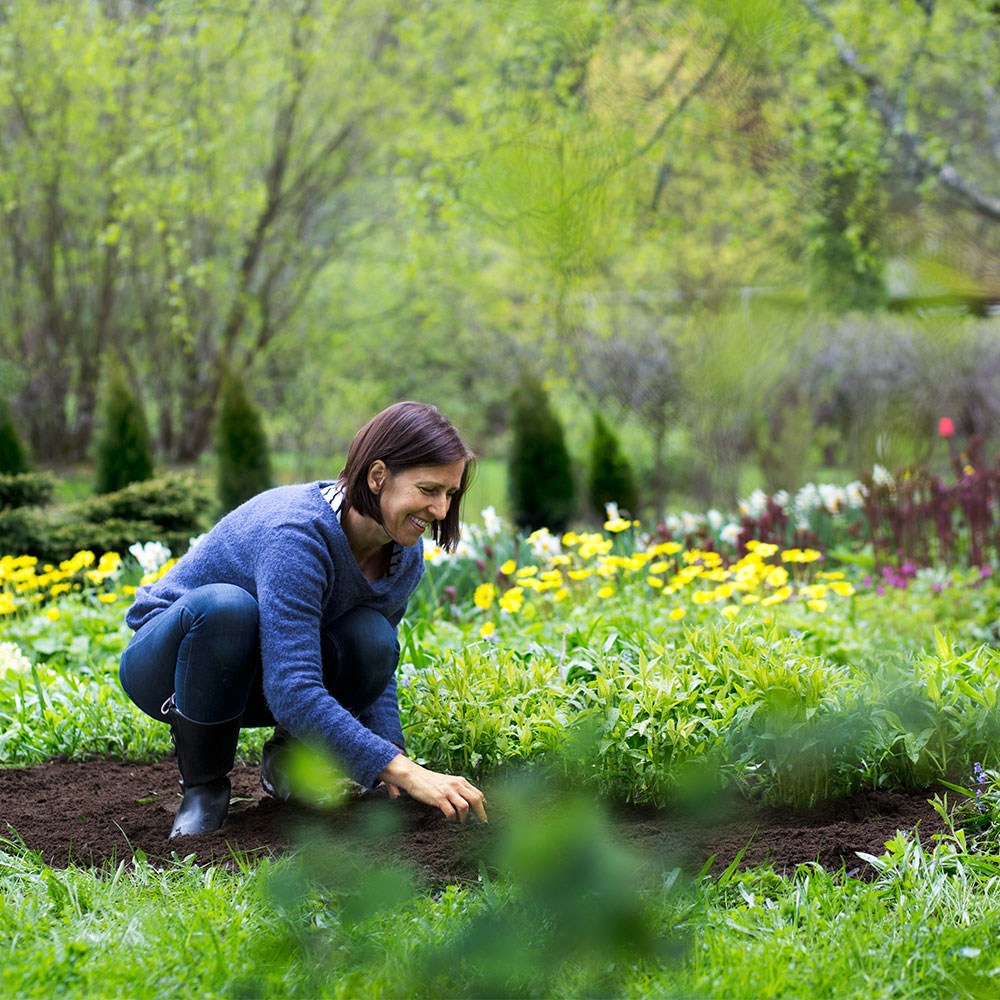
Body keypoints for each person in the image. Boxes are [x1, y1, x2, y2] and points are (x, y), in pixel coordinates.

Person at [119, 401, 488, 838]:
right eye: (429, 490)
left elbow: (376, 667)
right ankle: (204, 789)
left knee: (372, 638)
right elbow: (292, 689)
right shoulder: (296, 533)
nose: (442, 510)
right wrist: (407, 772)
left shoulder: (402, 554)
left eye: (450, 494)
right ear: (377, 476)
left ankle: (288, 761)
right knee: (229, 608)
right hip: (172, 667)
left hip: (257, 675)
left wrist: (393, 757)